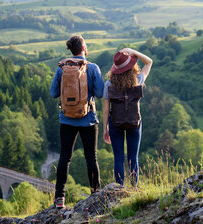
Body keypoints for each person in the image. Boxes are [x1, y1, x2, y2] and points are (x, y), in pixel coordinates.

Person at [49, 35, 104, 209]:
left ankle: (59, 199)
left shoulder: (62, 68)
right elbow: (101, 93)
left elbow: (53, 93)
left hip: (66, 118)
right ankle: (96, 194)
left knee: (65, 158)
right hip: (88, 119)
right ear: (84, 49)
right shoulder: (92, 68)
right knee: (91, 157)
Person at [102, 48, 152, 186]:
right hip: (134, 123)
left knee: (118, 157)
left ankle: (119, 188)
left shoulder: (108, 84)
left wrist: (105, 129)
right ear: (132, 67)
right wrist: (133, 52)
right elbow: (149, 62)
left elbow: (106, 110)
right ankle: (134, 187)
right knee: (133, 157)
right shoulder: (138, 80)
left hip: (115, 123)